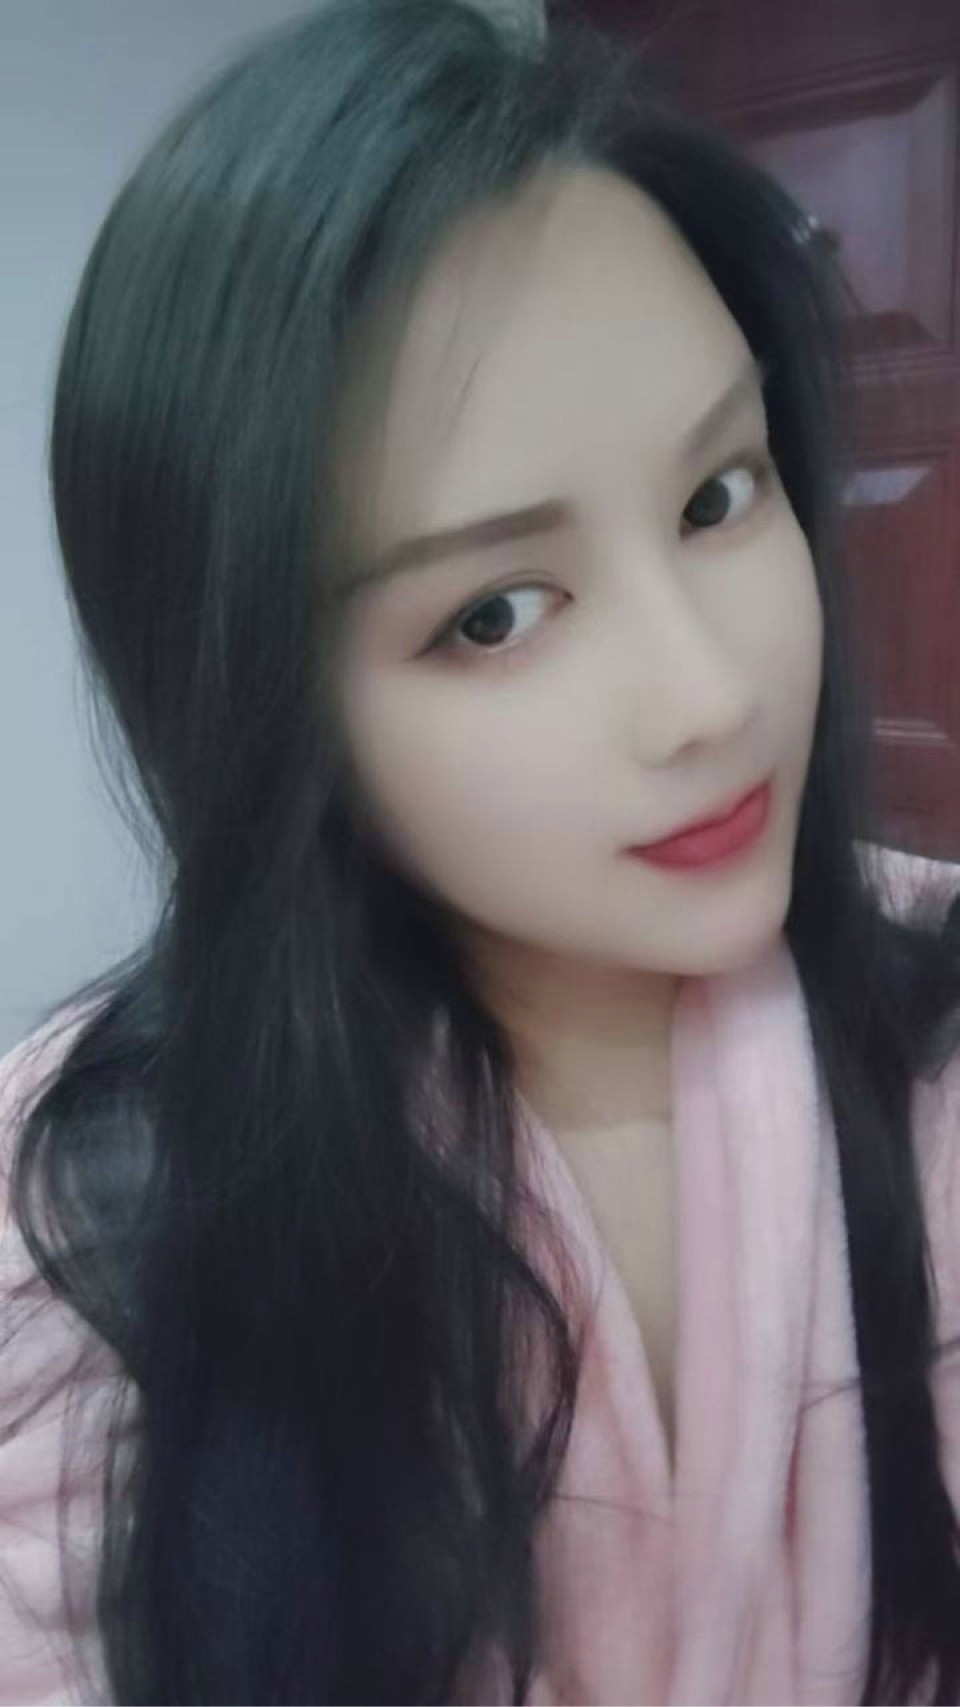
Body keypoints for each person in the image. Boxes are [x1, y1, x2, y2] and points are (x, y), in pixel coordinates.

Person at [2, 0, 960, 1700]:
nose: (709, 694)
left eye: (719, 497)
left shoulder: (933, 1017)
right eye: (498, 613)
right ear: (270, 710)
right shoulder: (88, 1217)